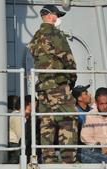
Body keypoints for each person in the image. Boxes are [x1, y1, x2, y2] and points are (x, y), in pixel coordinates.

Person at [28, 4, 78, 163]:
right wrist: (72, 79)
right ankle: (68, 160)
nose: (58, 18)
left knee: (46, 123)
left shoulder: (36, 37)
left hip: (42, 87)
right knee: (68, 120)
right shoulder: (55, 34)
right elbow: (68, 58)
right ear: (49, 15)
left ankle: (48, 160)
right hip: (58, 85)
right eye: (56, 15)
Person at [8, 96, 21, 164]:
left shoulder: (8, 113)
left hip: (10, 143)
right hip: (15, 143)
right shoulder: (17, 115)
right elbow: (20, 134)